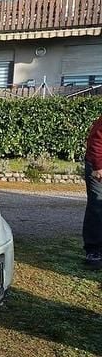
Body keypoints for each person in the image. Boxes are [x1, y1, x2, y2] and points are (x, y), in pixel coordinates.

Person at [84, 115, 102, 268]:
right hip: (97, 165)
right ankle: (93, 250)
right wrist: (98, 167)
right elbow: (95, 141)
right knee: (97, 206)